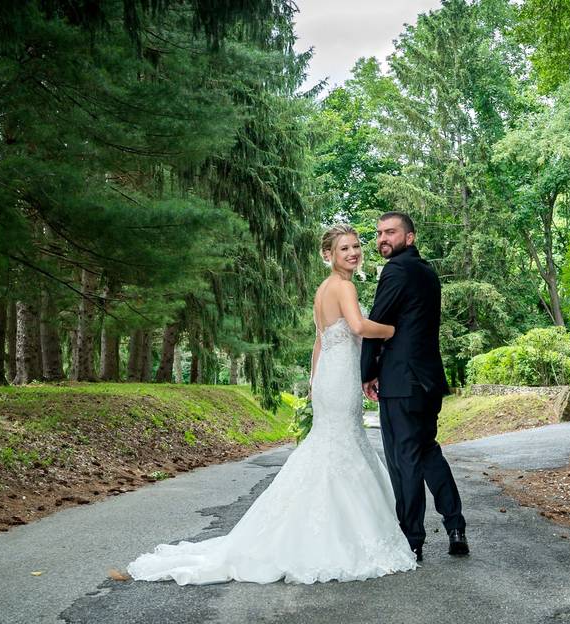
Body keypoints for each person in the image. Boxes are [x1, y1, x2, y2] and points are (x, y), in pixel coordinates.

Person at [127, 224, 417, 586]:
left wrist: (314, 382)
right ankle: (336, 536)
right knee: (339, 445)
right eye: (344, 248)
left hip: (330, 374)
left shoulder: (323, 289)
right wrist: (396, 330)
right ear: (328, 255)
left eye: (356, 246)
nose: (353, 253)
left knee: (331, 445)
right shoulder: (343, 286)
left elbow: (319, 341)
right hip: (339, 377)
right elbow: (358, 327)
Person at [360, 212, 468, 562]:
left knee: (403, 460)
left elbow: (377, 322)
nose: (382, 239)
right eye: (378, 233)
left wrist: (366, 372)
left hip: (401, 382)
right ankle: (455, 527)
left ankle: (412, 541)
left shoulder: (396, 270)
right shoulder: (427, 272)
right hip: (428, 382)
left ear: (409, 237)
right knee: (427, 453)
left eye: (390, 232)